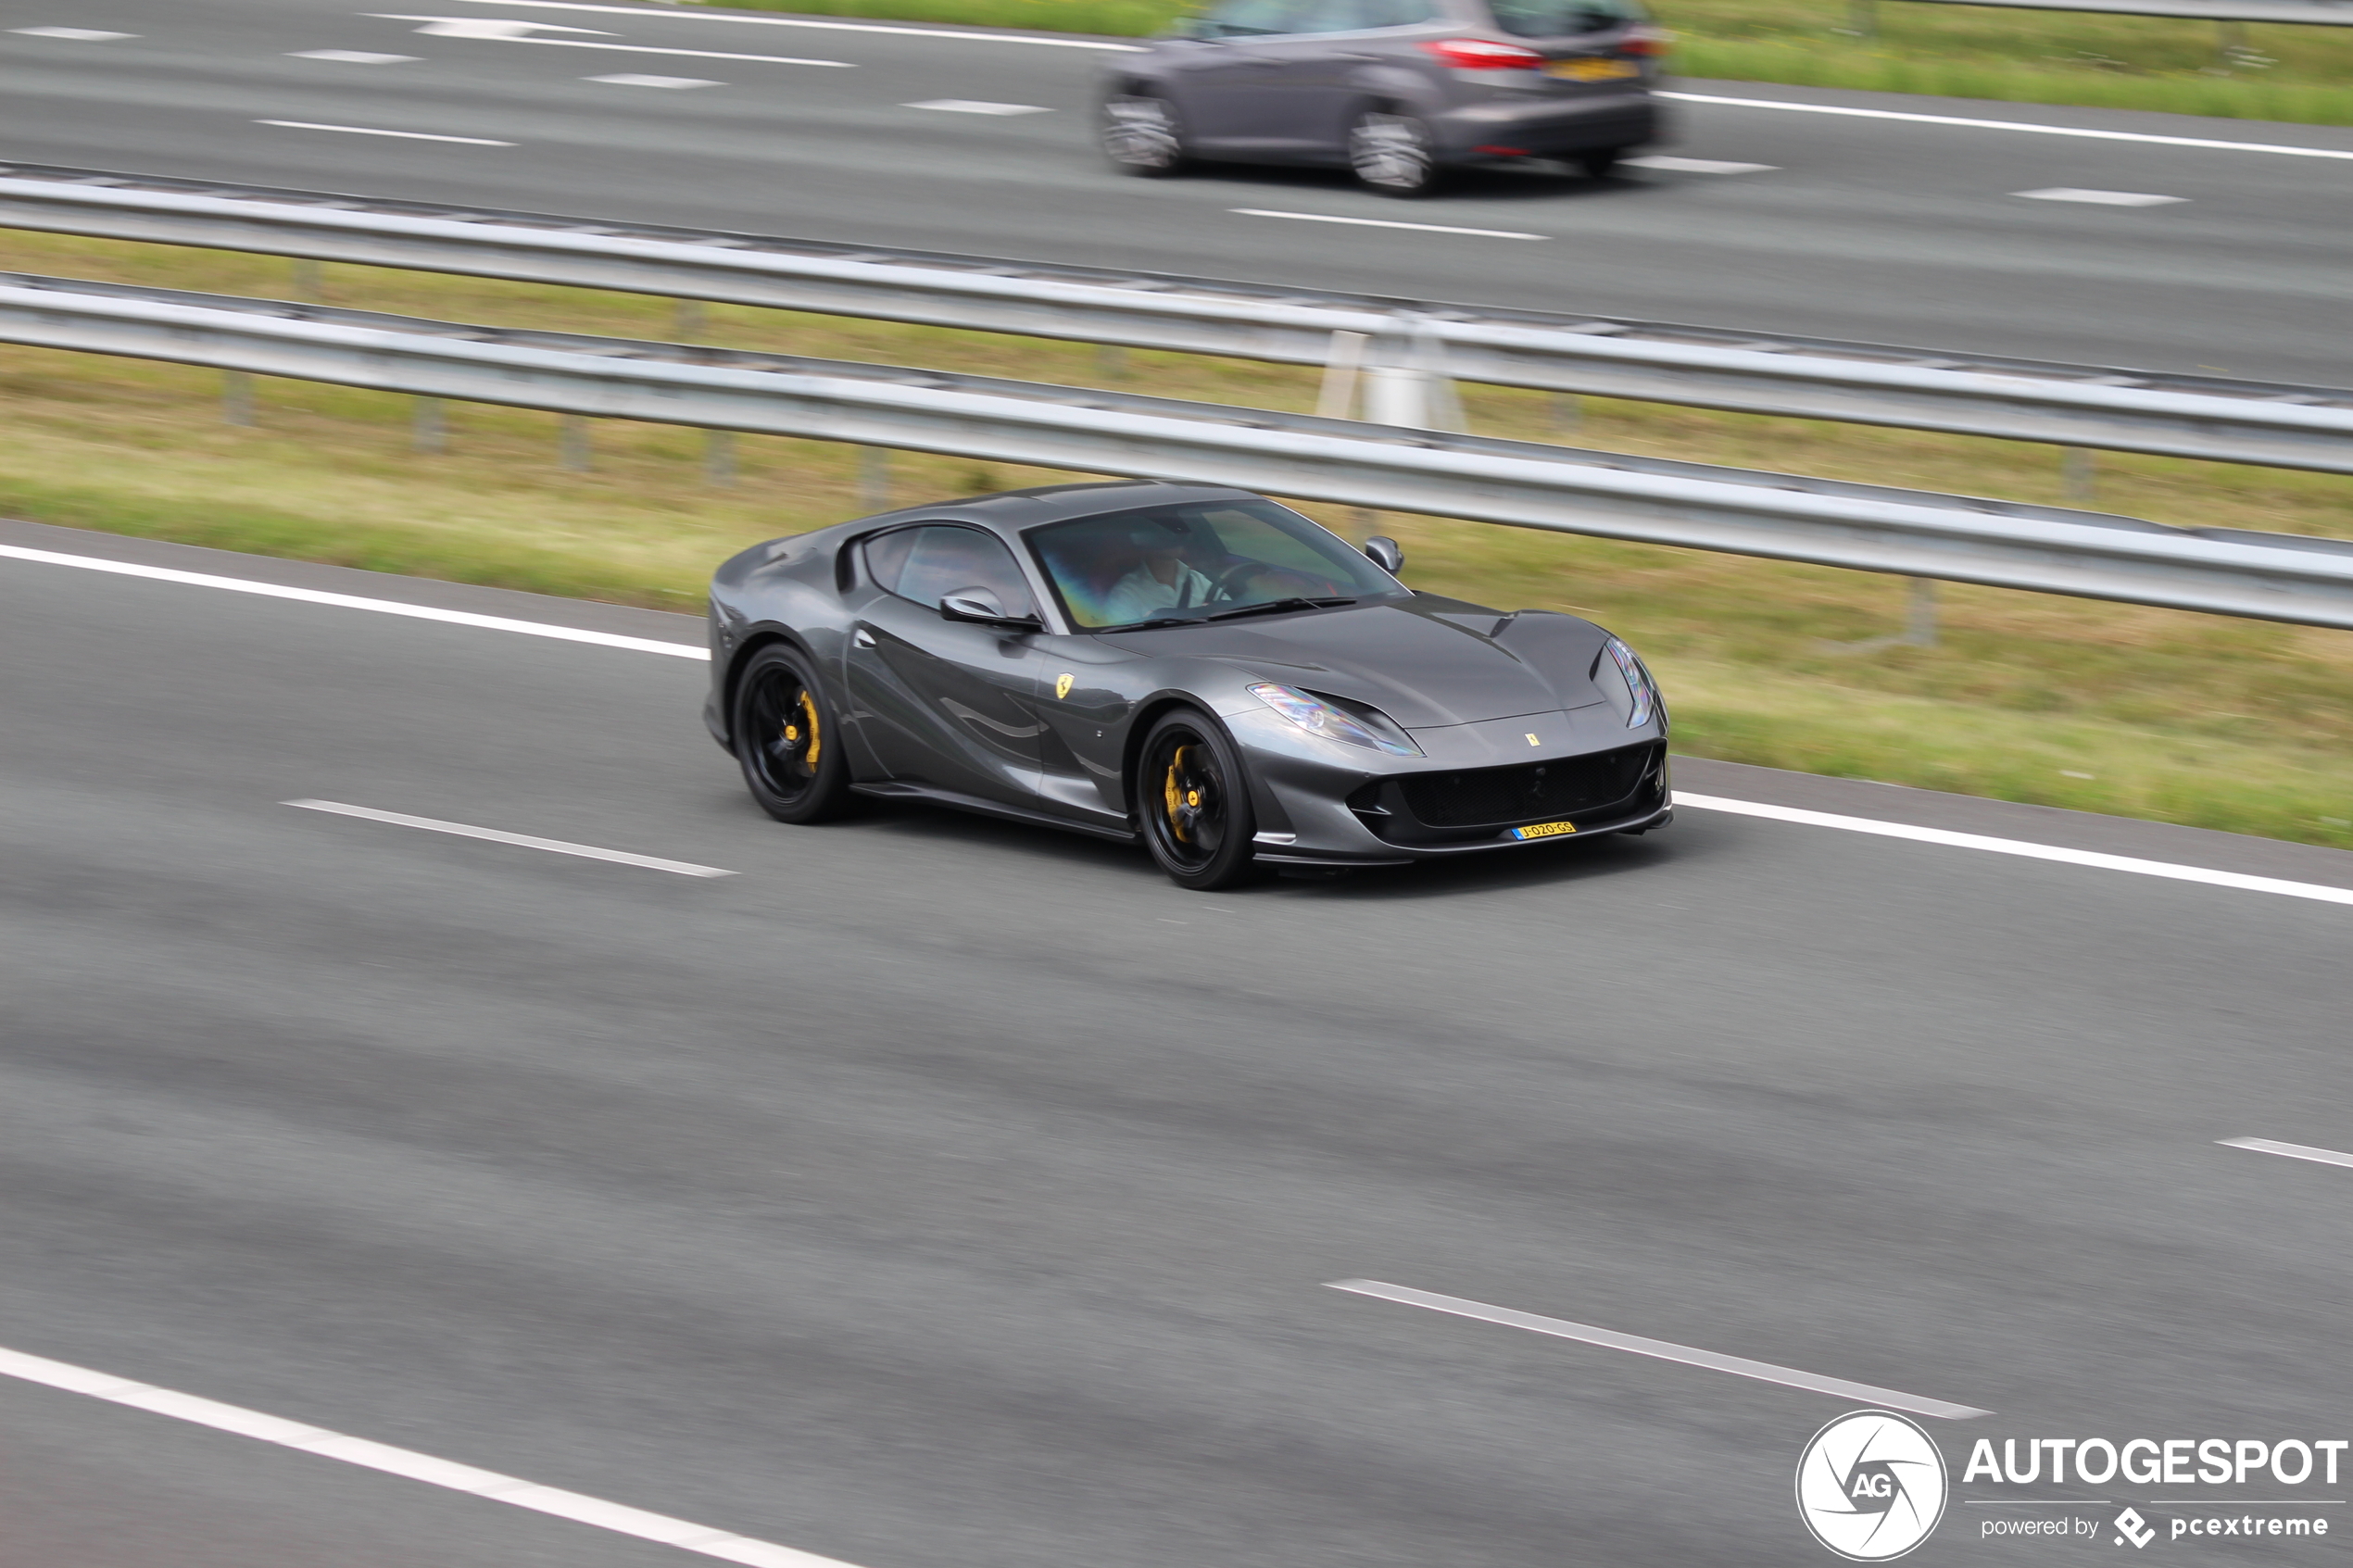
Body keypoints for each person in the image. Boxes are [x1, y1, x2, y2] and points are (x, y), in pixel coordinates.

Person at [1101, 519, 1217, 625]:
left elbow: (1229, 607)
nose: (1174, 536)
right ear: (1144, 540)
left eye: (1178, 532)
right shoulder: (1126, 593)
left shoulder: (1198, 579)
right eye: (1164, 534)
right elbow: (1125, 640)